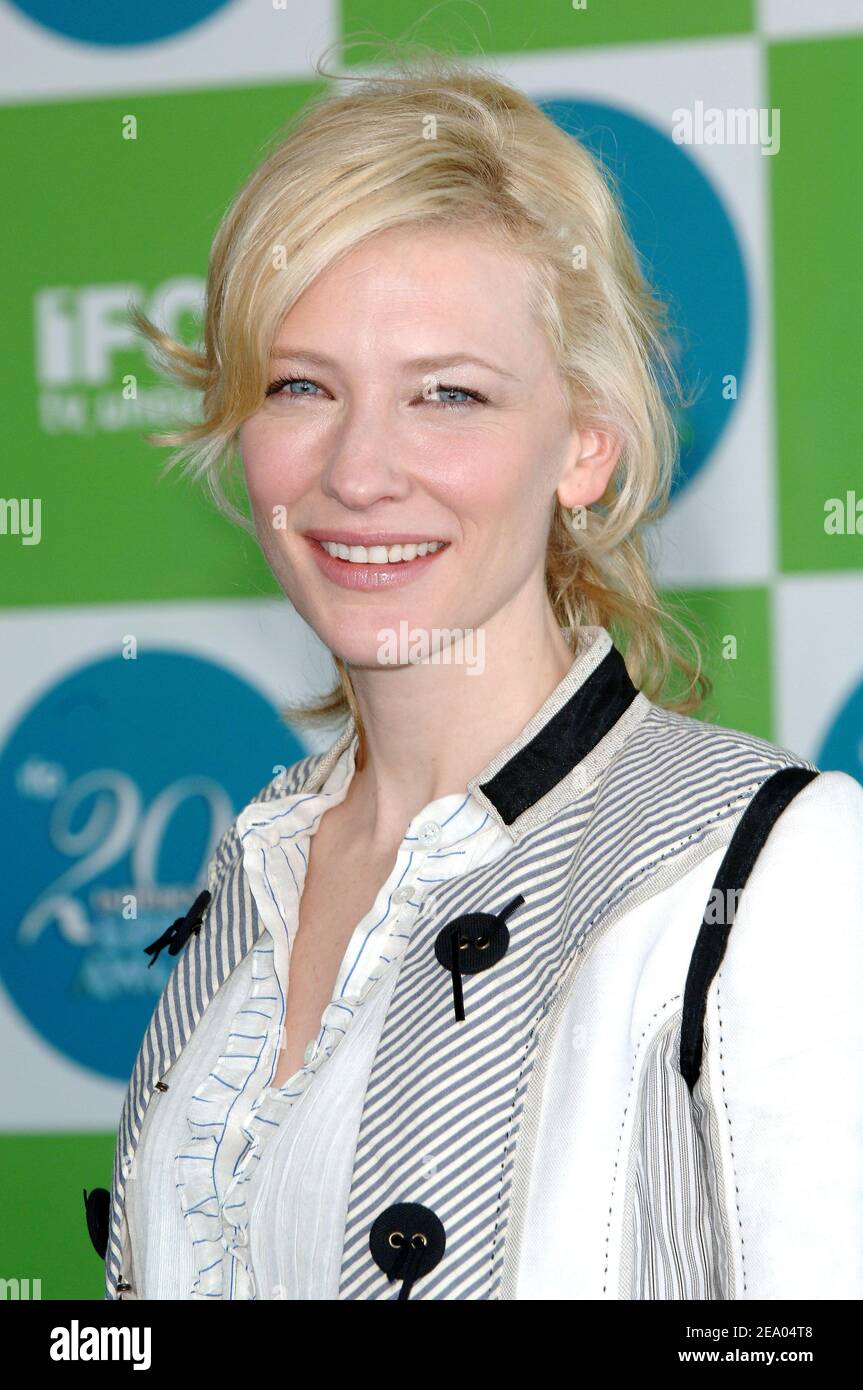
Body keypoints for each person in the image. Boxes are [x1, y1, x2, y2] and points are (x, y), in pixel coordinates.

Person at [87, 52, 863, 1301]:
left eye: (447, 394)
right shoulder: (250, 876)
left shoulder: (768, 864)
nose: (358, 470)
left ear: (584, 449)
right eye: (300, 386)